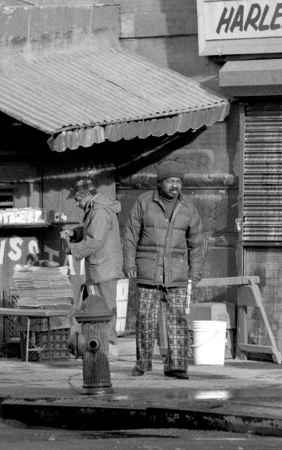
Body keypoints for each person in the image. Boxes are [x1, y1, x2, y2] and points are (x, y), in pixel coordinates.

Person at [123, 160, 205, 380]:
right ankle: (142, 363)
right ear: (159, 183)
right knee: (145, 319)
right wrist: (129, 263)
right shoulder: (143, 203)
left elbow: (196, 242)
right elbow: (131, 235)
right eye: (170, 181)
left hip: (177, 273)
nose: (175, 185)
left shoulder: (189, 207)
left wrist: (195, 273)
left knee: (178, 320)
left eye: (178, 181)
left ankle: (177, 366)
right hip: (148, 271)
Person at [61, 178, 123, 357]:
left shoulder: (100, 211)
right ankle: (103, 346)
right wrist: (75, 233)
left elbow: (95, 240)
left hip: (104, 268)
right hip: (101, 267)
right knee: (100, 309)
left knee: (106, 309)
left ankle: (109, 347)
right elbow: (91, 231)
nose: (77, 203)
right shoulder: (95, 210)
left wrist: (73, 250)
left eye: (78, 199)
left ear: (87, 195)